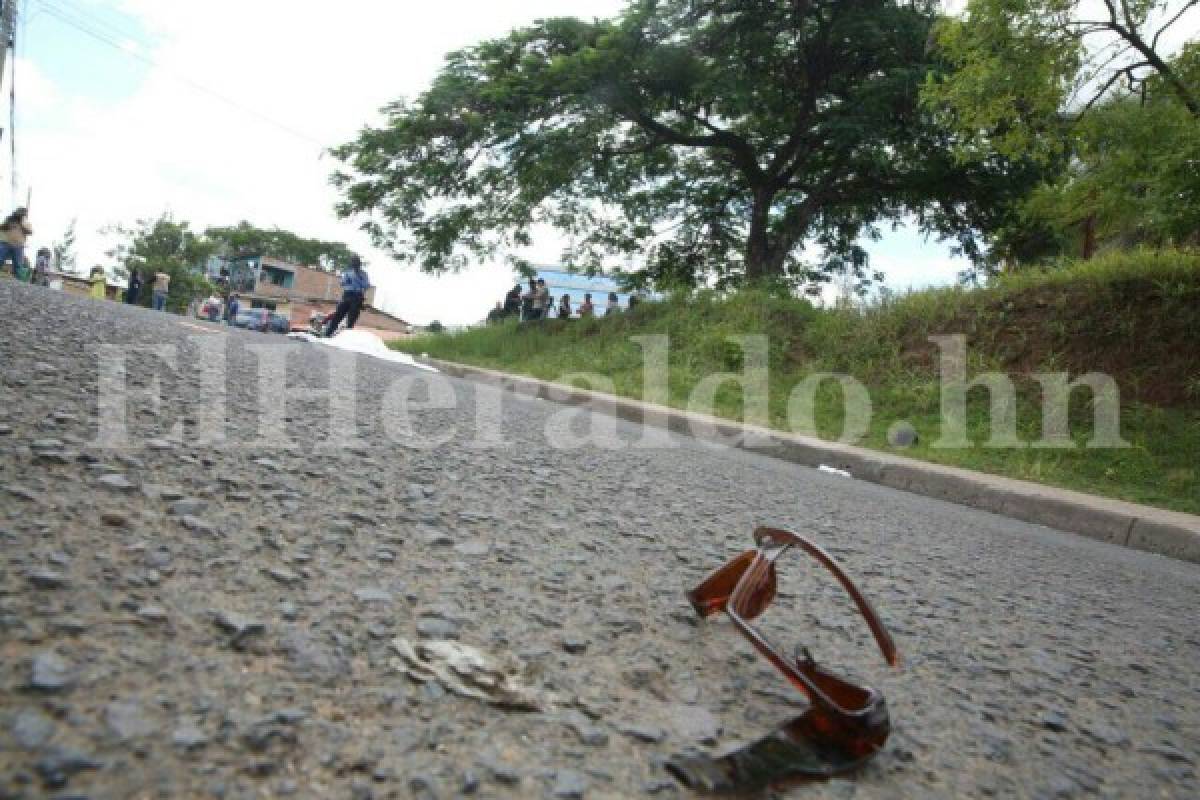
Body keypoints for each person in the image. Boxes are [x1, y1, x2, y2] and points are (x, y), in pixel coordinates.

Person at [325, 255, 370, 336]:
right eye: (352, 261)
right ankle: (327, 334)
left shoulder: (363, 274)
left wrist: (358, 278)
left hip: (357, 297)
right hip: (347, 295)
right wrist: (349, 283)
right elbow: (343, 283)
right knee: (338, 315)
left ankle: (346, 337)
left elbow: (366, 285)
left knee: (351, 319)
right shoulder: (348, 272)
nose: (354, 263)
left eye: (356, 261)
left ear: (359, 263)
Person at [0, 207, 32, 276]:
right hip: (5, 243)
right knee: (0, 258)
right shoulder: (9, 219)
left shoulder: (26, 223)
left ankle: (17, 280)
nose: (21, 214)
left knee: (18, 265)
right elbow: (2, 227)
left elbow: (30, 231)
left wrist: (22, 223)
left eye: (23, 213)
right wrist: (7, 224)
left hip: (18, 245)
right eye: (20, 212)